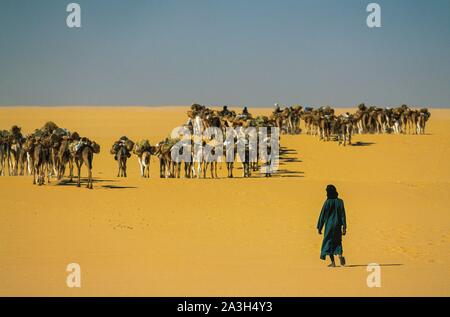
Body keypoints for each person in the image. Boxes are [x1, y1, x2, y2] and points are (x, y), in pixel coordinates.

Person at [317, 184, 347, 267]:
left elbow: (322, 215)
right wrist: (344, 227)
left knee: (328, 242)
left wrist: (320, 227)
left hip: (329, 226)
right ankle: (340, 256)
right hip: (338, 225)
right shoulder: (340, 202)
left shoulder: (327, 202)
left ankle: (333, 262)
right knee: (338, 241)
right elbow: (343, 215)